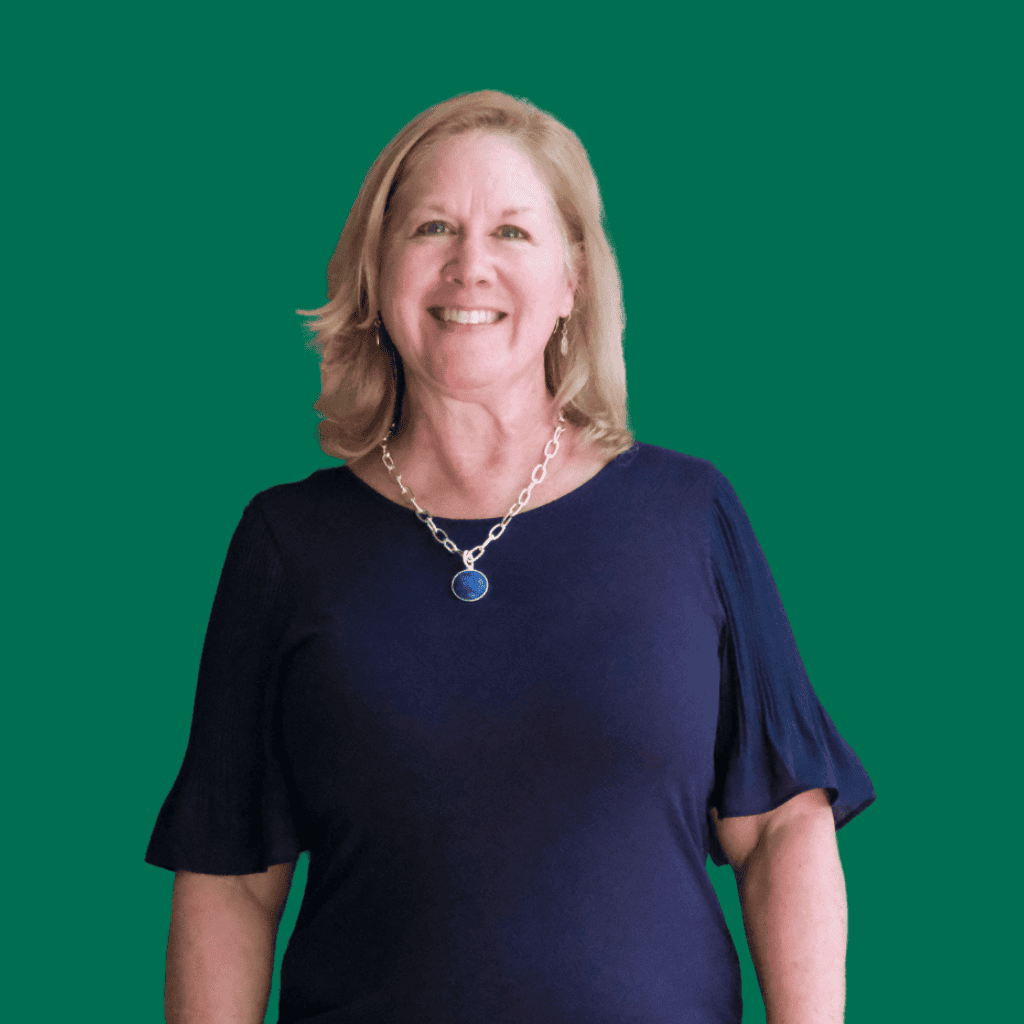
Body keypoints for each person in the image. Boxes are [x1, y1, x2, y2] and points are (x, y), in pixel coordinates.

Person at [146, 89, 875, 1024]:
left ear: (573, 279)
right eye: (433, 228)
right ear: (375, 275)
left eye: (514, 233)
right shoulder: (287, 544)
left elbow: (780, 827)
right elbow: (231, 880)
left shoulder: (690, 515)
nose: (470, 266)